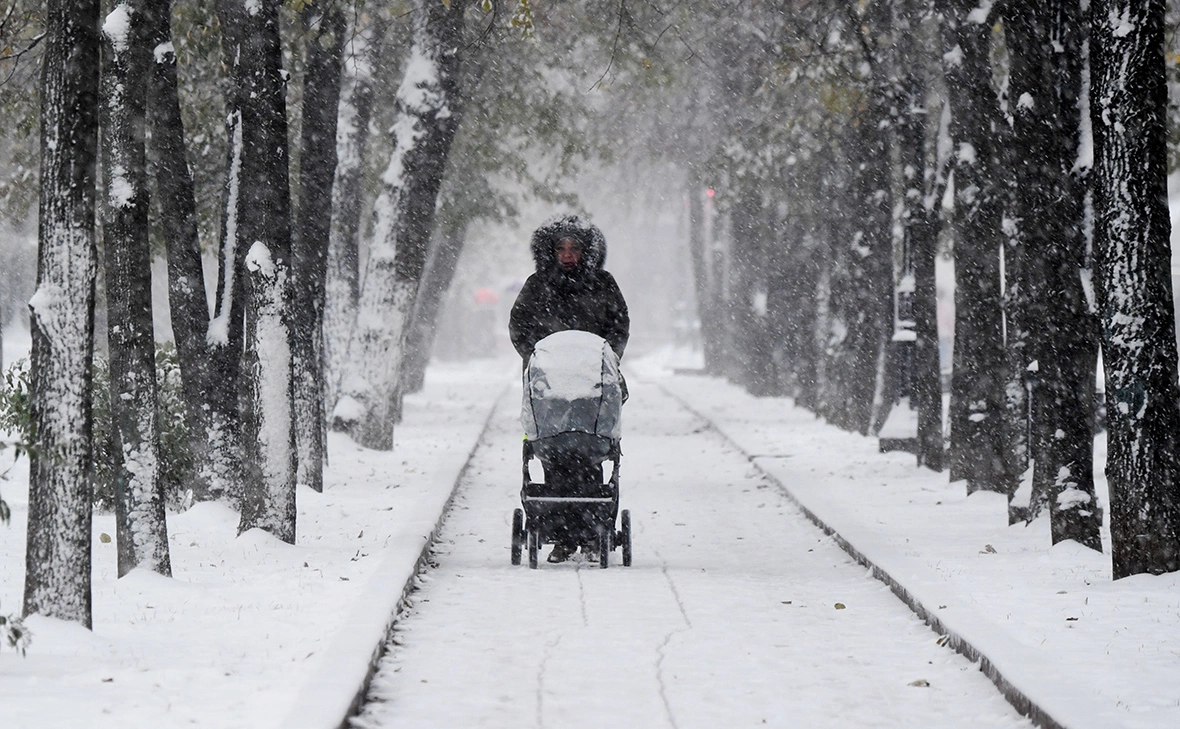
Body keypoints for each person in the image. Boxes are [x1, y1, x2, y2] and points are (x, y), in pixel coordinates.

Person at [510, 214, 629, 563]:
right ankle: (562, 534)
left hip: (592, 384)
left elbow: (619, 324)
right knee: (556, 459)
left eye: (574, 248)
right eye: (560, 248)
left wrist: (607, 357)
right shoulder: (537, 286)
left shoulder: (603, 285)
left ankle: (592, 533)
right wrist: (537, 357)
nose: (567, 255)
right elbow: (520, 326)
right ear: (549, 251)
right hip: (550, 386)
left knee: (590, 457)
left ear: (586, 251)